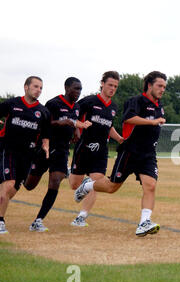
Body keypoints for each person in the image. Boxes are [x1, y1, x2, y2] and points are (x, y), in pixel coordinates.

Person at [74, 71, 167, 237]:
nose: (162, 89)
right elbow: (128, 118)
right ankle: (88, 185)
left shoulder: (160, 106)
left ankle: (144, 223)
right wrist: (151, 121)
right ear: (149, 85)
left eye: (164, 87)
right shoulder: (136, 101)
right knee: (111, 187)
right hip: (130, 152)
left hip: (148, 155)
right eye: (159, 86)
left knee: (150, 185)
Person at [24, 77, 92, 232]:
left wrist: (75, 130)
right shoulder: (54, 103)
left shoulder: (76, 107)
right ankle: (24, 172)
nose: (78, 92)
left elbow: (74, 120)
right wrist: (60, 123)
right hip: (46, 148)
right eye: (76, 88)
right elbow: (43, 124)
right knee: (29, 185)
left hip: (62, 150)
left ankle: (38, 220)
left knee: (55, 182)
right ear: (67, 88)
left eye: (80, 89)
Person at [69, 71, 124, 227]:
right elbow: (73, 117)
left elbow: (109, 126)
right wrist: (77, 130)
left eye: (115, 86)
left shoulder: (113, 107)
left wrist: (119, 138)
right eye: (110, 85)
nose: (112, 89)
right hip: (84, 148)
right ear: (102, 84)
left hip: (101, 150)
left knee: (95, 183)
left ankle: (81, 217)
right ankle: (70, 172)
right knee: (74, 184)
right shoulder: (89, 101)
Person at [0, 76, 51, 234]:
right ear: (26, 87)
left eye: (41, 88)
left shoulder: (43, 112)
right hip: (8, 150)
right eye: (35, 86)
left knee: (13, 190)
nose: (39, 90)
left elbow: (46, 135)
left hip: (27, 155)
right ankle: (0, 221)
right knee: (8, 185)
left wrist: (46, 147)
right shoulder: (12, 104)